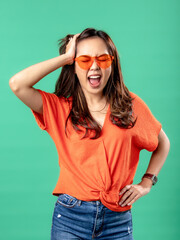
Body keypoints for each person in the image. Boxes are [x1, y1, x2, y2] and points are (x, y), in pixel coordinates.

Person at [9, 28, 170, 240]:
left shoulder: (131, 106)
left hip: (118, 220)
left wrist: (147, 182)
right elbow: (17, 84)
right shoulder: (60, 109)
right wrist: (65, 57)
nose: (94, 66)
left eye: (102, 59)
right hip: (70, 217)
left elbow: (162, 143)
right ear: (73, 66)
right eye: (84, 60)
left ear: (112, 64)